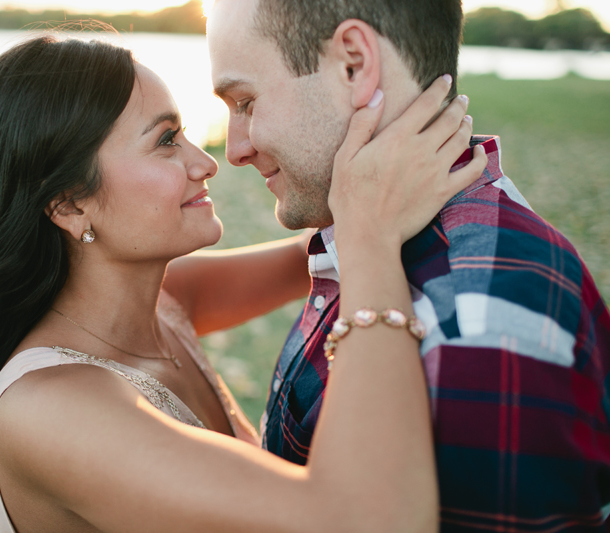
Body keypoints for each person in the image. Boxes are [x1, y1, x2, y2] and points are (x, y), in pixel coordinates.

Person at [0, 33, 484, 532]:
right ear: (69, 203)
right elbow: (371, 520)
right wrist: (370, 244)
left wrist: (368, 162)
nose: (206, 163)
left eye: (186, 132)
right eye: (165, 140)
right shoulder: (50, 411)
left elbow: (323, 243)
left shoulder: (167, 300)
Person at [206, 0, 610, 529]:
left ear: (354, 64)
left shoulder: (477, 325)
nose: (233, 149)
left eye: (245, 101)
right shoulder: (368, 234)